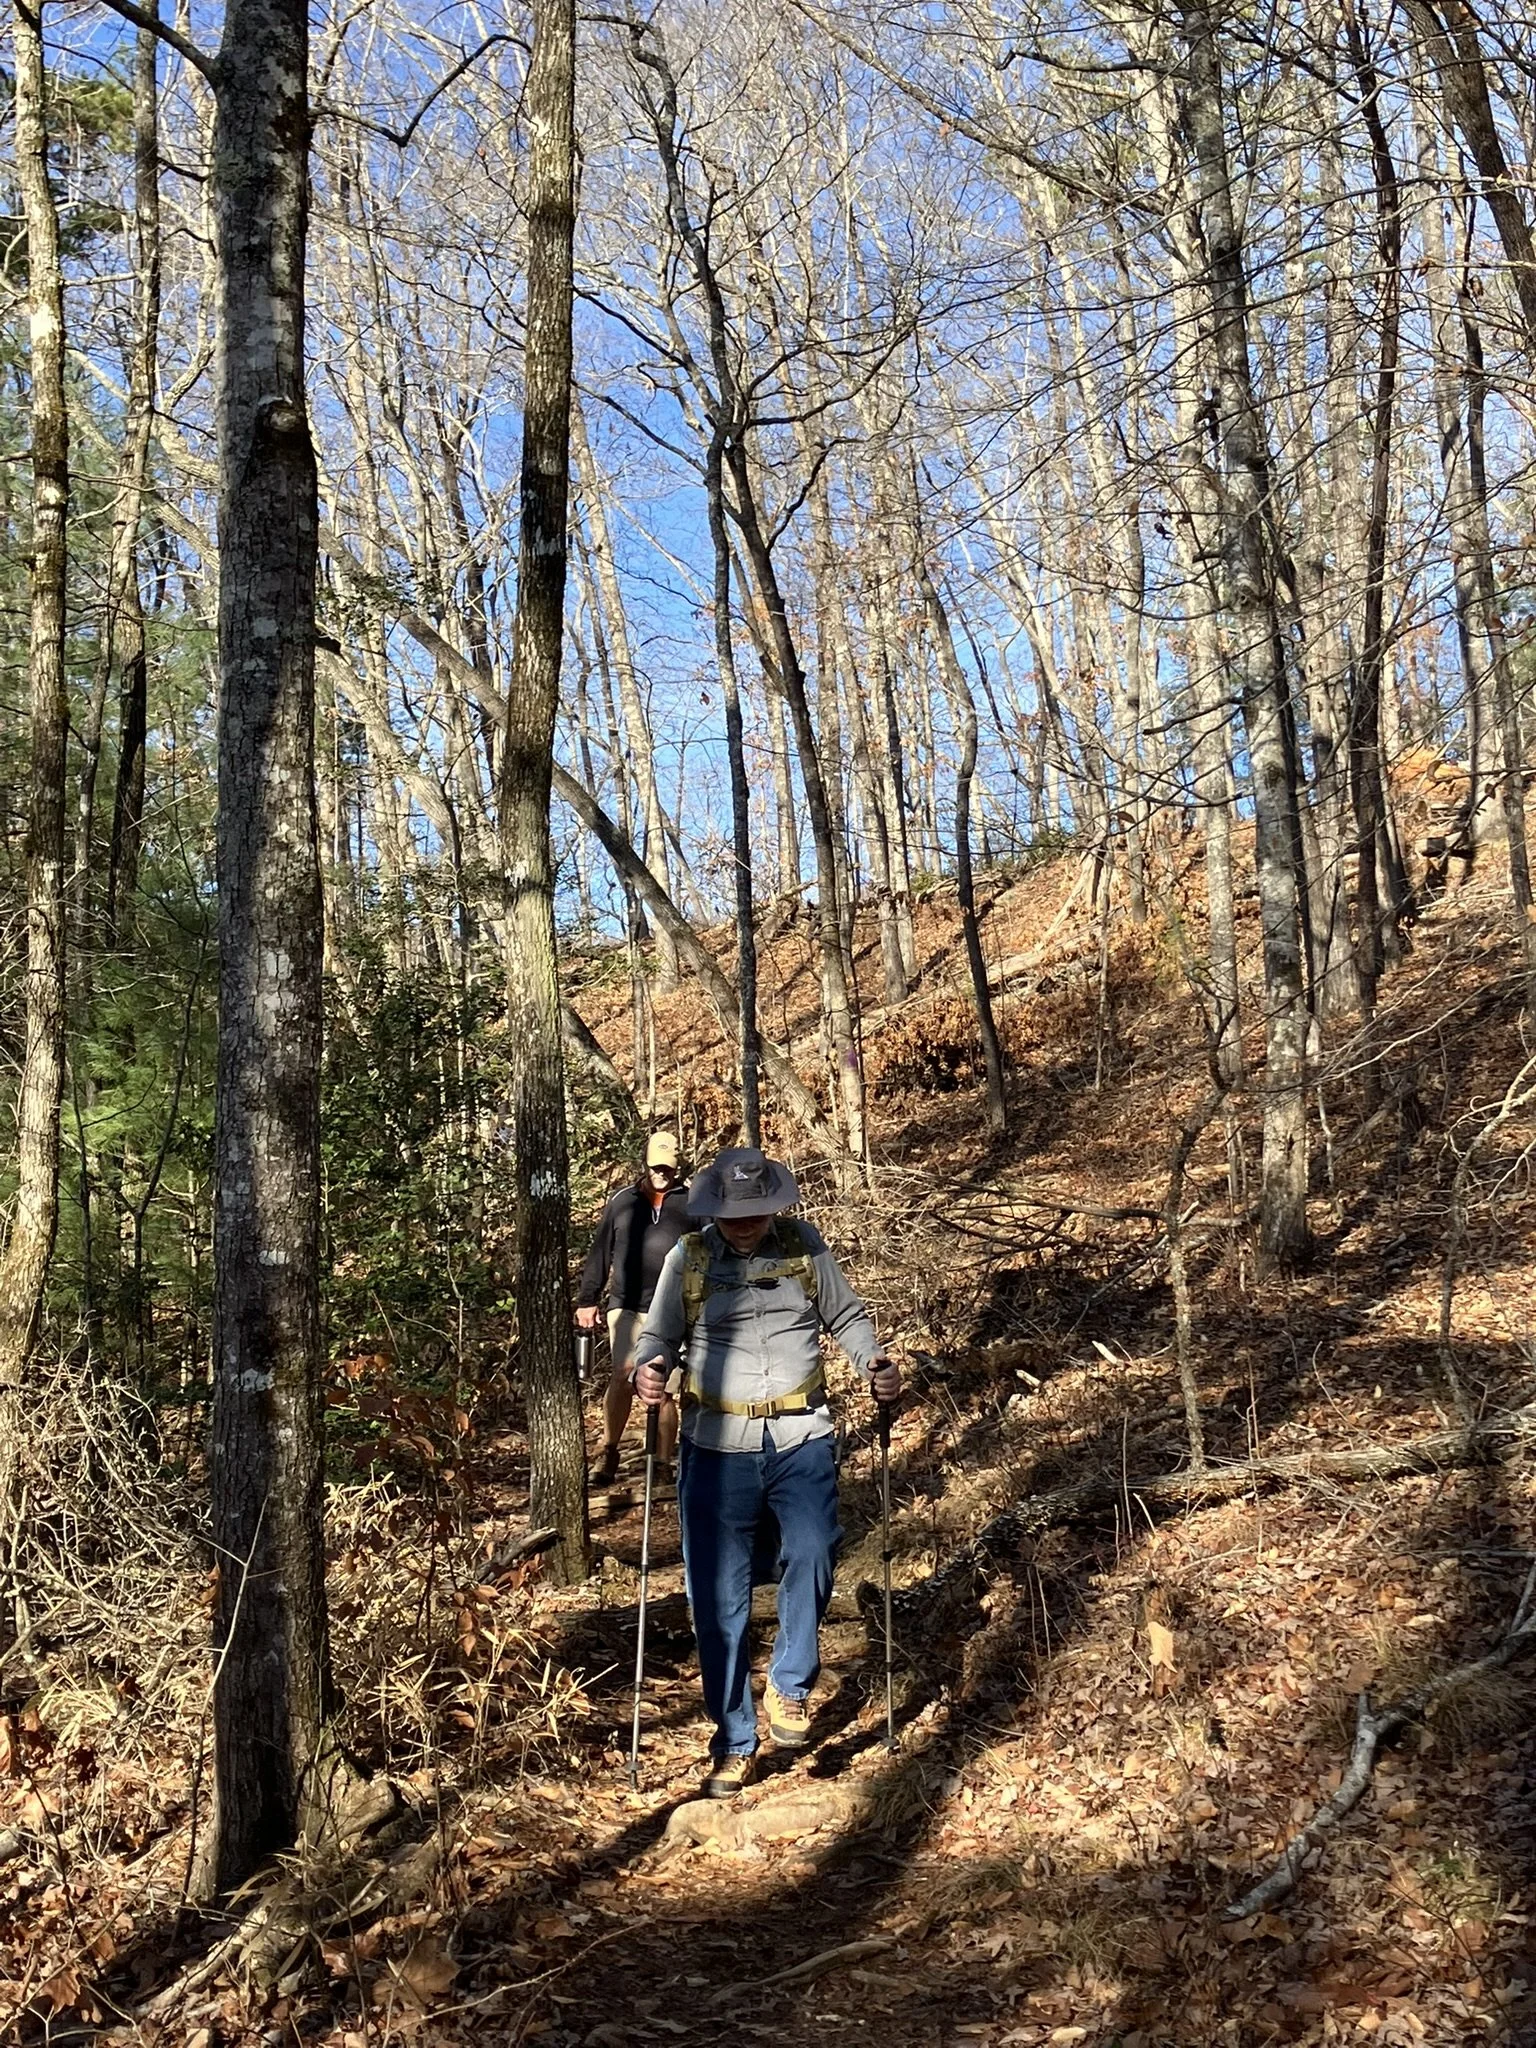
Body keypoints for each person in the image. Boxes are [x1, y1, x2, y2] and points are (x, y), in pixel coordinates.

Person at [631, 1146, 901, 1798]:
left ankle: (789, 1685)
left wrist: (874, 1361)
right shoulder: (689, 1258)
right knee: (716, 1602)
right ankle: (733, 1741)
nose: (746, 1223)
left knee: (813, 1552)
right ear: (715, 1210)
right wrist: (649, 1368)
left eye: (757, 1212)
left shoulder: (804, 1246)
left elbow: (846, 1315)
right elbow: (658, 1335)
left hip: (800, 1434)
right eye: (735, 1213)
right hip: (714, 1443)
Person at [576, 1131, 690, 1487]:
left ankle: (663, 1461)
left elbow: (708, 1252)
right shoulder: (622, 1201)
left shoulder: (691, 1203)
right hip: (626, 1305)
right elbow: (600, 1251)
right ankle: (609, 1453)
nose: (661, 1174)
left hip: (673, 1308)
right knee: (624, 1377)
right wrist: (587, 1299)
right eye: (656, 1167)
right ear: (645, 1163)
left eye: (668, 1169)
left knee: (665, 1389)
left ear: (677, 1168)